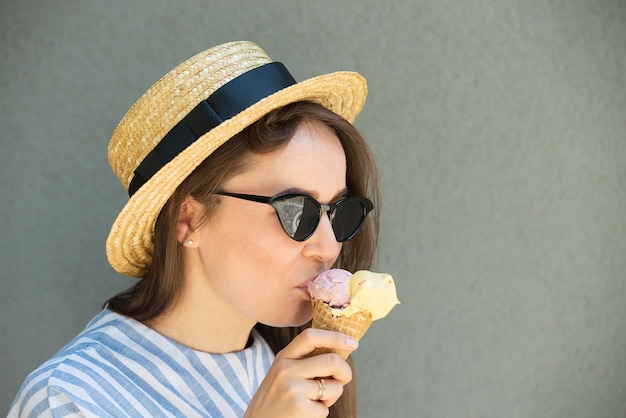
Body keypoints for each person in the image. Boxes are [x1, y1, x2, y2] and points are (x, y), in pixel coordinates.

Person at [9, 41, 380, 418]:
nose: (328, 246)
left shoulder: (296, 374)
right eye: (298, 211)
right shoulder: (69, 400)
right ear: (189, 219)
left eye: (339, 211)